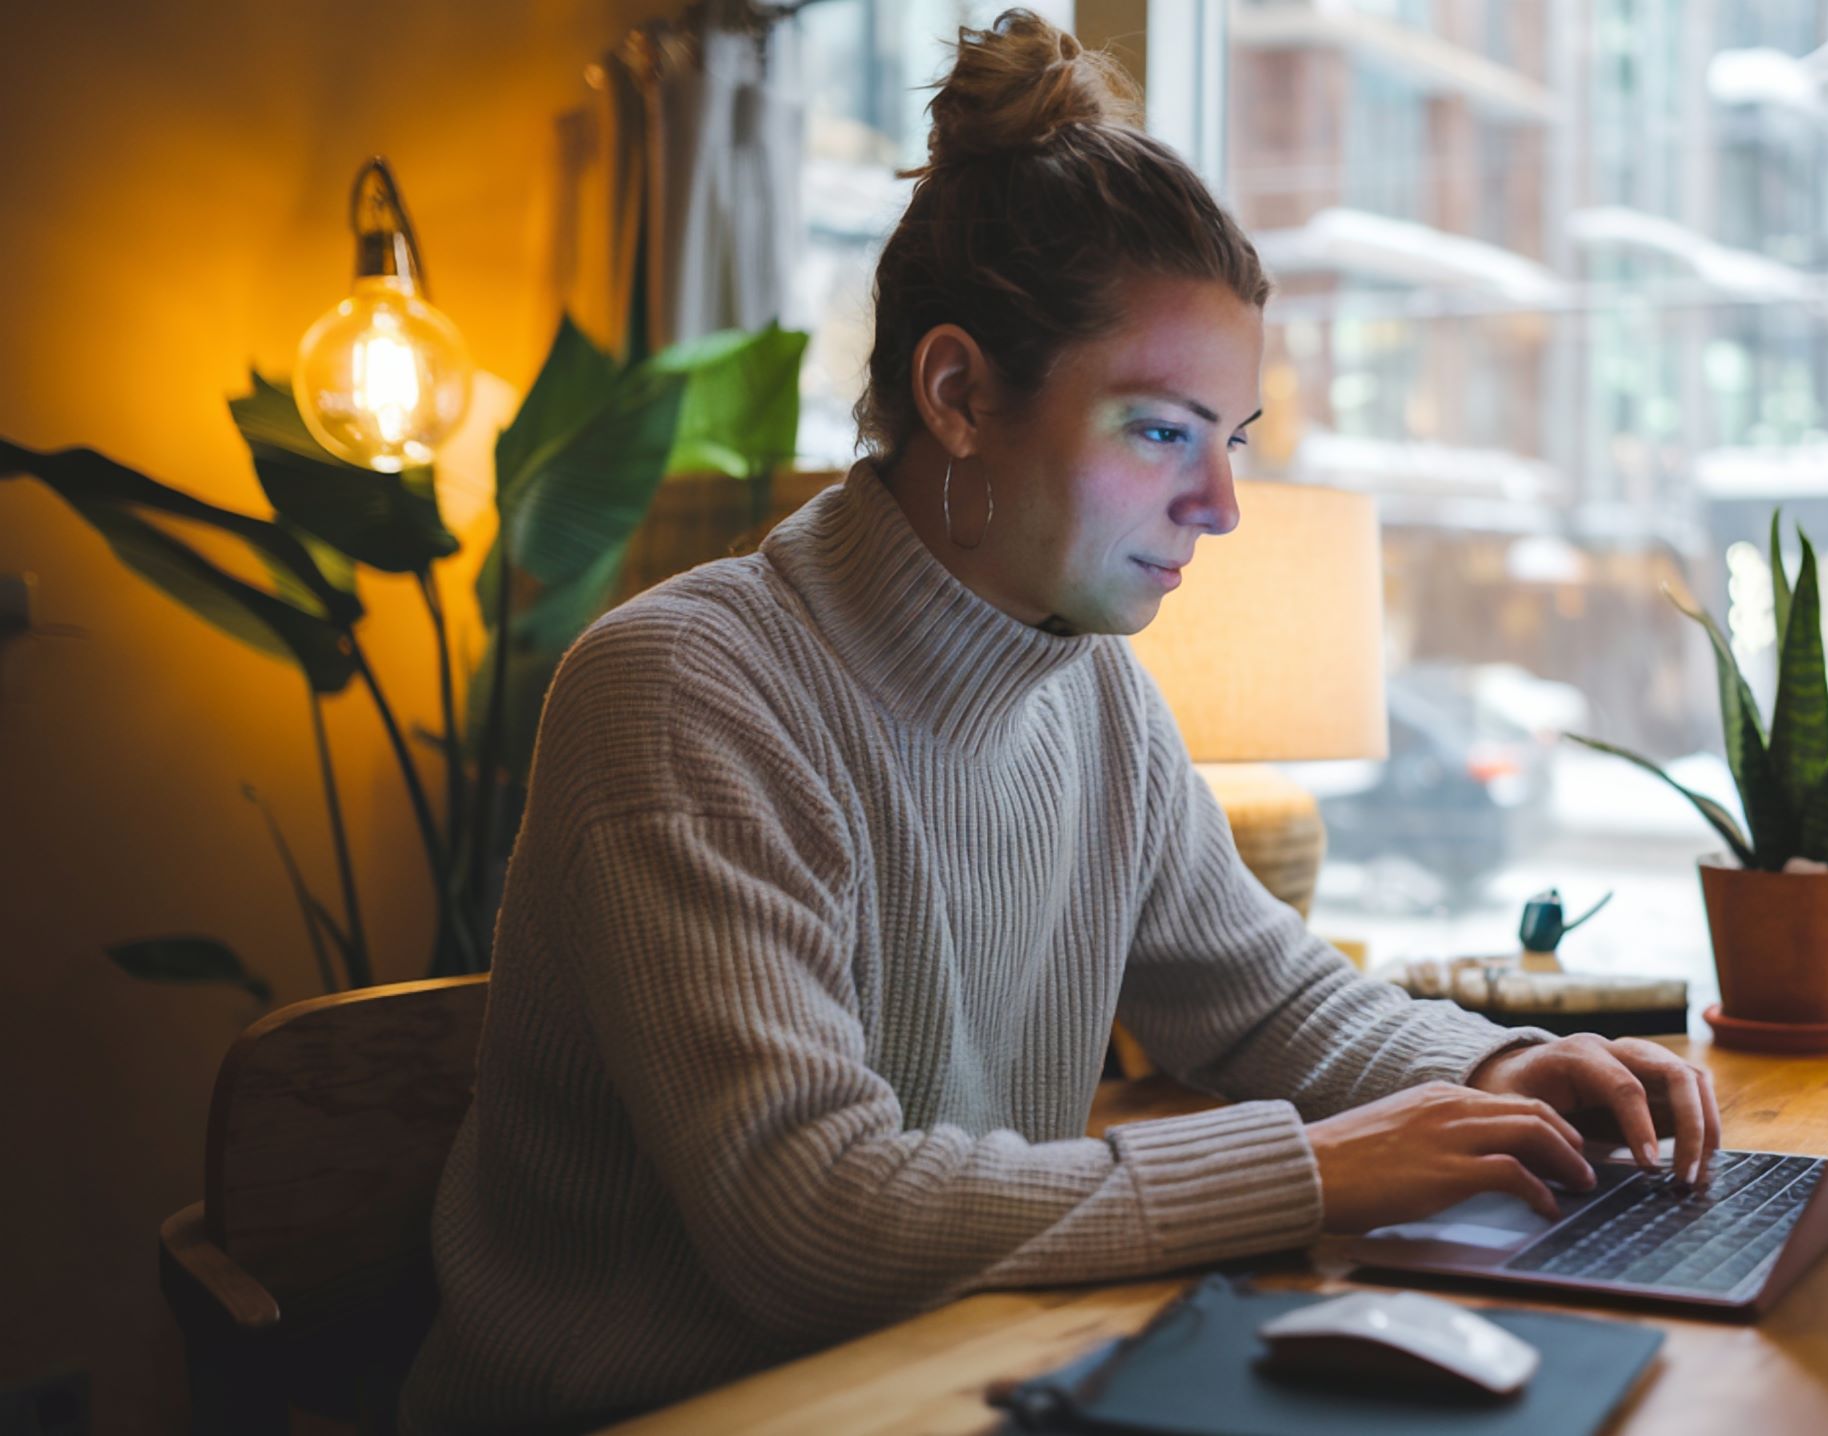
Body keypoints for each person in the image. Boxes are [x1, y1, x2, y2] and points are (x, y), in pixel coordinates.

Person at [398, 11, 1718, 1431]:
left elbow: (1264, 996)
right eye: (1162, 430)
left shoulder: (1091, 693)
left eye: (1236, 439)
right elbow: (809, 1216)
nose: (1218, 505)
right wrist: (1321, 1170)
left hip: (947, 1390)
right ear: (957, 393)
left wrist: (1502, 1070)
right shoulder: (685, 695)